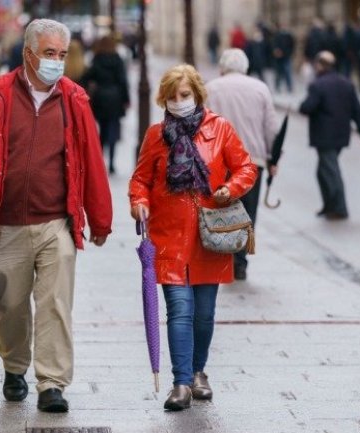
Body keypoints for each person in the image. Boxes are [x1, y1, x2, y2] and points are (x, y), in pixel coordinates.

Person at [0, 19, 113, 413]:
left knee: (56, 303)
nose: (57, 62)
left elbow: (91, 160)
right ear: (28, 54)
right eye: (49, 54)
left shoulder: (75, 99)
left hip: (55, 221)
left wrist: (101, 217)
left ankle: (52, 382)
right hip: (6, 222)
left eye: (61, 54)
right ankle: (14, 366)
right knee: (11, 305)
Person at [129, 64, 257, 411]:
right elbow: (140, 179)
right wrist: (139, 202)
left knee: (204, 314)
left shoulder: (220, 129)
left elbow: (246, 167)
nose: (178, 101)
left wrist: (230, 188)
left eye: (184, 95)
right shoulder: (156, 135)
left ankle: (199, 371)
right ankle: (181, 383)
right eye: (171, 96)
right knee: (179, 311)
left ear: (197, 95)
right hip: (168, 235)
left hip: (209, 236)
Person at [206, 49, 279, 281]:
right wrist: (272, 158)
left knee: (223, 208)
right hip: (252, 160)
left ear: (222, 67)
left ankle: (226, 257)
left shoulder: (211, 88)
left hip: (219, 160)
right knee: (248, 211)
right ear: (245, 67)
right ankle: (240, 261)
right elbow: (271, 128)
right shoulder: (260, 88)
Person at [299, 51, 360, 220]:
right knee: (323, 170)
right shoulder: (346, 83)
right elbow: (357, 110)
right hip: (341, 135)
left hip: (325, 136)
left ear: (319, 65)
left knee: (330, 170)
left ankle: (340, 208)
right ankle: (329, 205)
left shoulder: (318, 85)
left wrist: (303, 105)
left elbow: (307, 107)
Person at [80, 36, 130, 174]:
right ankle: (112, 164)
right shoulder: (117, 59)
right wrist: (126, 99)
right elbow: (123, 81)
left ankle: (100, 161)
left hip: (101, 97)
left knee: (102, 129)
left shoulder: (97, 58)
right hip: (115, 97)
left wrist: (89, 89)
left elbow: (87, 77)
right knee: (113, 129)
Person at [272, 23, 295, 93]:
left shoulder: (289, 36)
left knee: (287, 72)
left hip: (286, 56)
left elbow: (292, 46)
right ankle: (277, 86)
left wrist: (288, 53)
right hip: (278, 58)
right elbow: (274, 45)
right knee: (278, 73)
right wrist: (276, 51)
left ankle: (289, 87)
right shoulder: (277, 35)